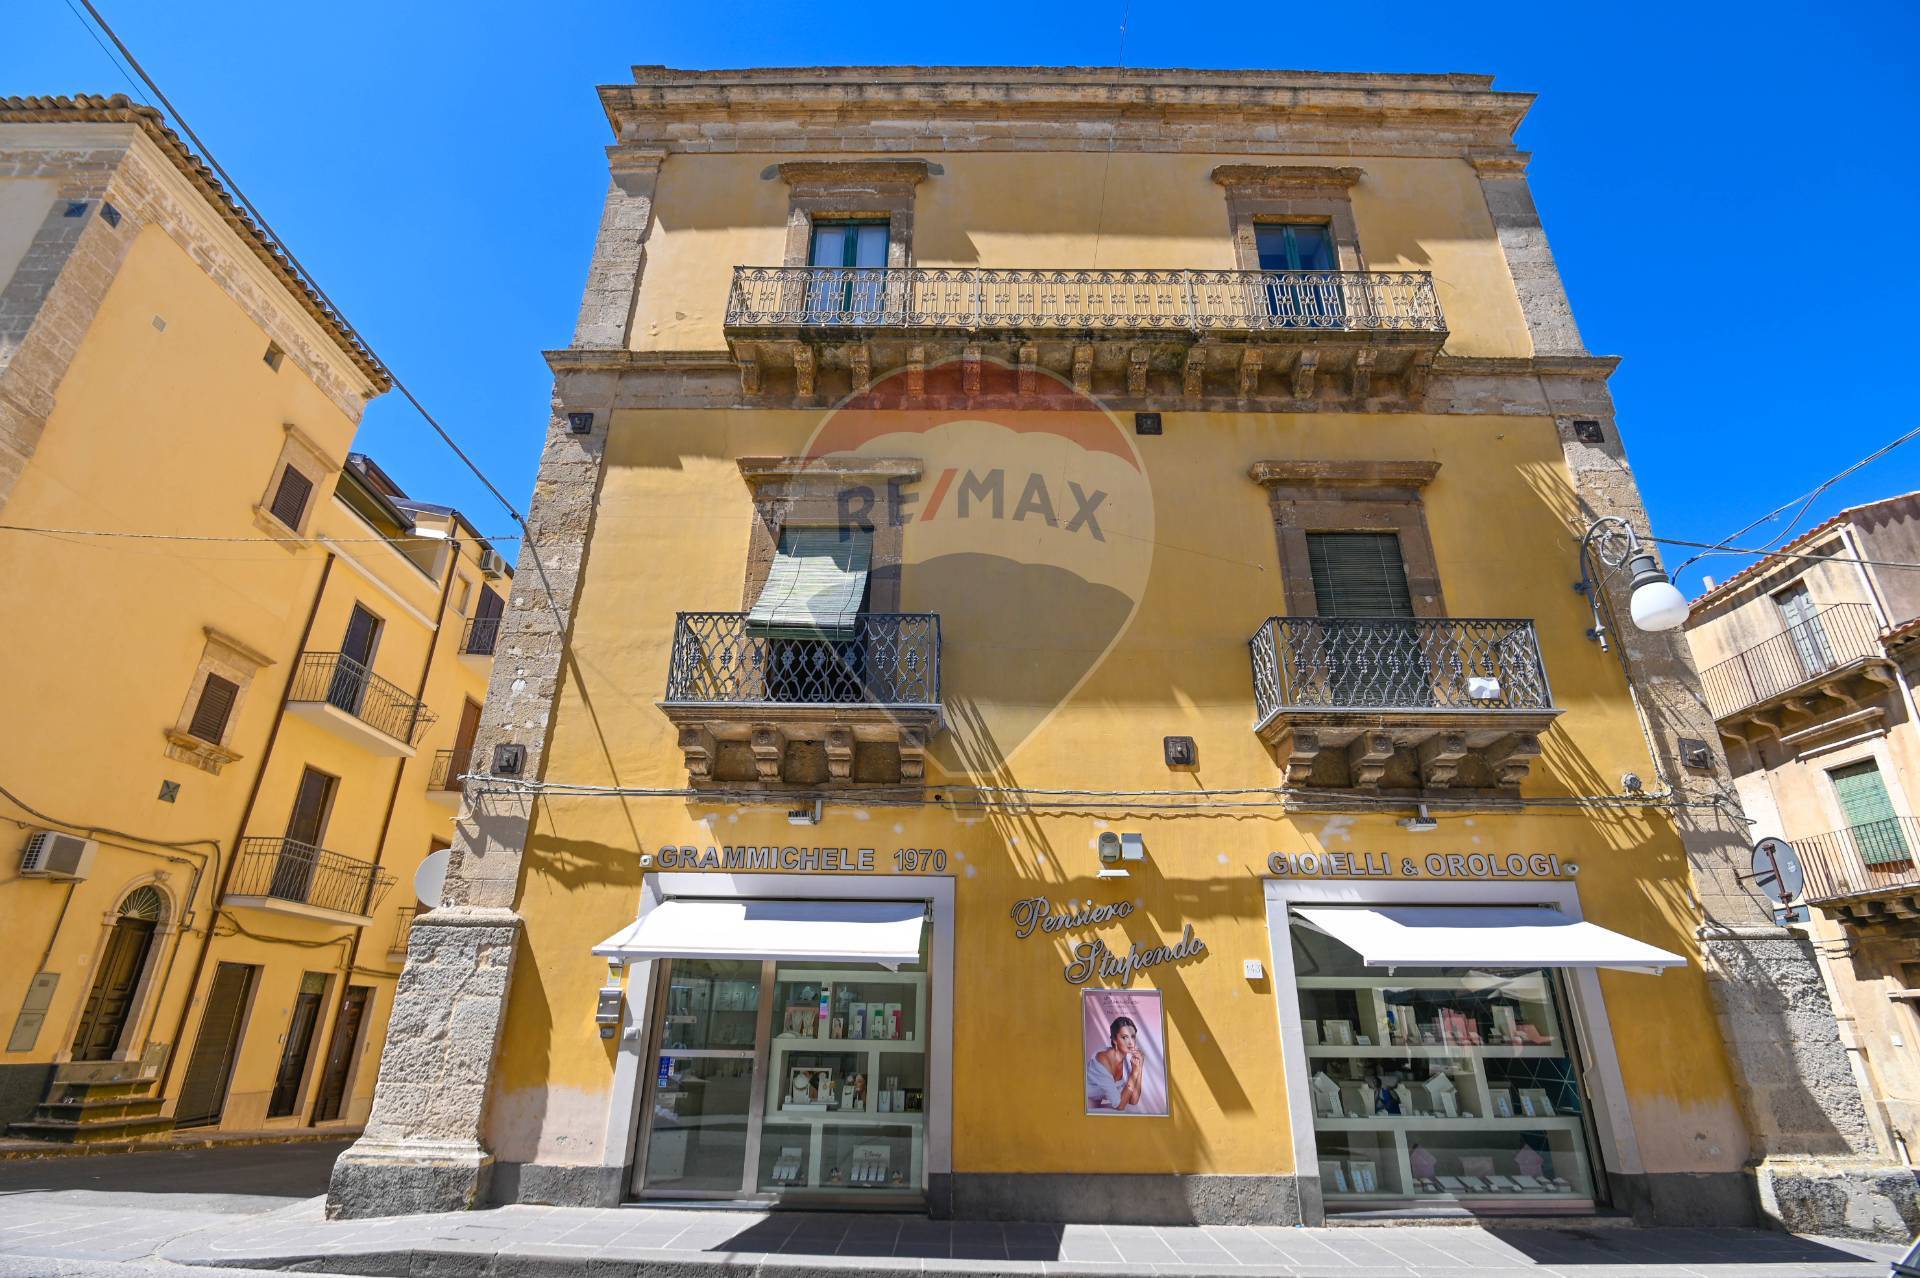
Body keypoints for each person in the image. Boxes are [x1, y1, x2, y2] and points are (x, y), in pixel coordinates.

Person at [1086, 1015, 1146, 1112]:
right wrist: (1134, 1073)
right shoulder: (1103, 1060)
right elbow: (1120, 1106)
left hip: (1099, 1106)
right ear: (1114, 1040)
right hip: (1083, 1104)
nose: (1131, 1042)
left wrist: (1139, 1067)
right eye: (1124, 1037)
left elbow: (1133, 1100)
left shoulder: (1126, 1061)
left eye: (1133, 1036)